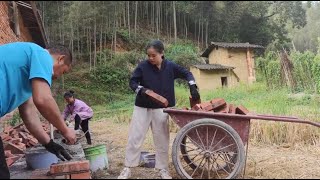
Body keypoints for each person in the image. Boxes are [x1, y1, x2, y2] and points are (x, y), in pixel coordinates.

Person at [117, 40, 200, 179]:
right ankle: (128, 167)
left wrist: (192, 86)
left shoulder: (170, 66)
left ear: (162, 53)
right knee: (135, 137)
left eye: (153, 55)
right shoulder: (143, 66)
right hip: (142, 107)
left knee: (162, 140)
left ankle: (163, 169)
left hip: (162, 109)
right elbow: (132, 82)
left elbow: (187, 74)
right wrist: (141, 90)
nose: (150, 58)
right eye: (148, 55)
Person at [0, 42, 77, 179]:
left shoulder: (27, 79)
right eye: (63, 71)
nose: (59, 76)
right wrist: (65, 130)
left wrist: (49, 143)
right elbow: (43, 100)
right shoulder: (42, 55)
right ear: (60, 58)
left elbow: (29, 115)